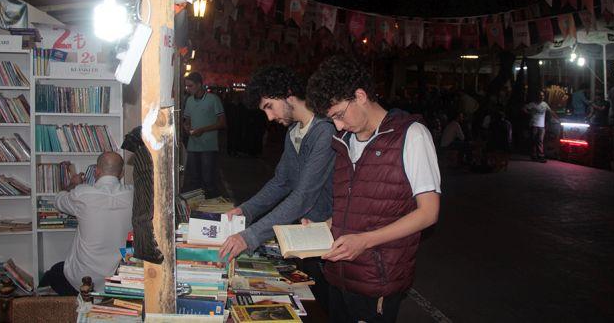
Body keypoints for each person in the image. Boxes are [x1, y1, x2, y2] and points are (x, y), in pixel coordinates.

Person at [305, 55, 441, 323]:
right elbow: (357, 205)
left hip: (377, 282)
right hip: (339, 277)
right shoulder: (344, 141)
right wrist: (324, 227)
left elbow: (429, 213)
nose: (339, 125)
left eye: (339, 115)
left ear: (360, 95)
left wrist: (365, 241)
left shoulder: (411, 135)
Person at [219, 65, 335, 260]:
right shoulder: (293, 132)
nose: (270, 117)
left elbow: (303, 196)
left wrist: (250, 236)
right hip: (308, 232)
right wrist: (246, 210)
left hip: (332, 236)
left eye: (269, 106)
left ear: (288, 94)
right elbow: (281, 182)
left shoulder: (325, 131)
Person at [40, 152, 133, 295]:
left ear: (96, 171)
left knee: (50, 275)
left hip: (82, 279)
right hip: (119, 278)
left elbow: (58, 201)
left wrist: (73, 184)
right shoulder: (133, 194)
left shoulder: (82, 193)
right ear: (121, 173)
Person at [182, 73, 226, 196]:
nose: (188, 89)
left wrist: (203, 130)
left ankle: (211, 206)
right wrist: (186, 126)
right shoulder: (189, 100)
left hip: (208, 146)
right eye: (186, 86)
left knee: (208, 180)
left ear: (199, 85)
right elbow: (187, 120)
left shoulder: (213, 99)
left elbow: (222, 123)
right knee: (194, 179)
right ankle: (198, 207)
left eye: (190, 86)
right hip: (193, 145)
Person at [524, 91, 560, 163]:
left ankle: (540, 155)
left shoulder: (544, 104)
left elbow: (550, 111)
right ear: (537, 96)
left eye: (543, 95)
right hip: (534, 124)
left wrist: (557, 118)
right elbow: (524, 108)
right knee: (534, 140)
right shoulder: (532, 104)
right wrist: (529, 113)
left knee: (540, 141)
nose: (542, 97)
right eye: (540, 95)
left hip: (541, 125)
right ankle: (534, 155)